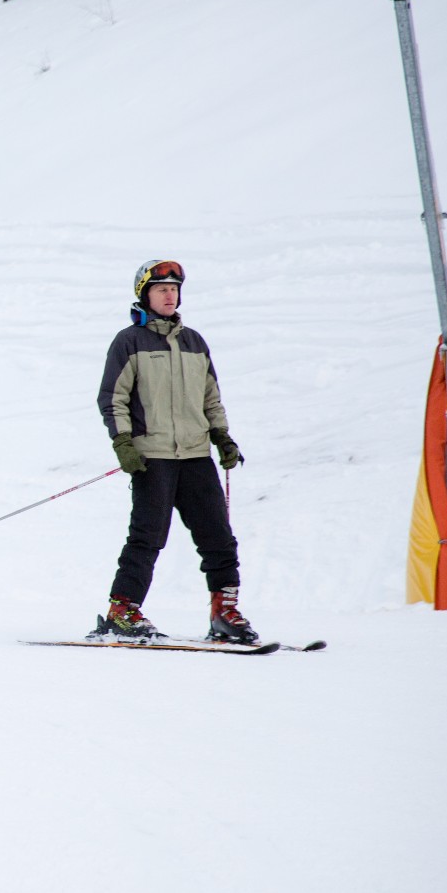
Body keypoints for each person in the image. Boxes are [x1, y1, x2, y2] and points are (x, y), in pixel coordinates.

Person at [96, 261, 255, 643]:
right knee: (148, 535)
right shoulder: (129, 342)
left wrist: (222, 437)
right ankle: (123, 611)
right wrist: (124, 444)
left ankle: (224, 611)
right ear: (145, 295)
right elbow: (112, 398)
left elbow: (210, 397)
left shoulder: (195, 342)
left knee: (218, 537)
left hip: (196, 456)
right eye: (161, 289)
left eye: (174, 289)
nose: (169, 295)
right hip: (153, 457)